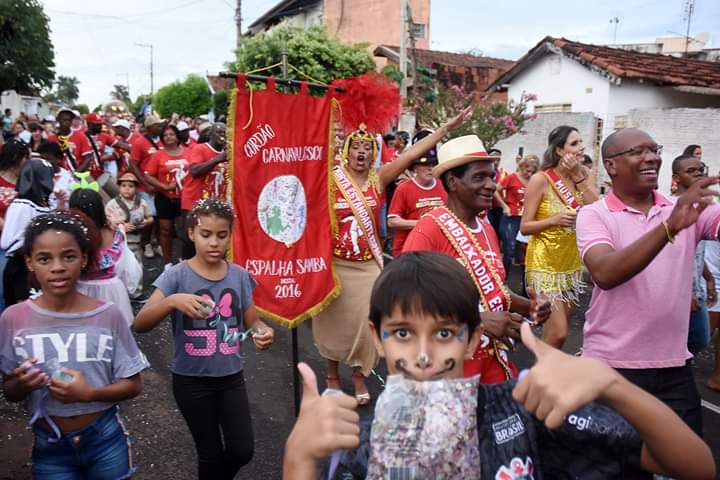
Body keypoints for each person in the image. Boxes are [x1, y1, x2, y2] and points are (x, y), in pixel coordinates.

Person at [281, 251, 716, 480]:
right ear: (377, 337)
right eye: (403, 333)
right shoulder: (361, 444)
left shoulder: (524, 410)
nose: (425, 353)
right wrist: (297, 459)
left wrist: (612, 386)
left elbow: (694, 466)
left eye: (445, 333)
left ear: (472, 339)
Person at [314, 110, 471, 405]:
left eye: (366, 148)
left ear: (372, 153)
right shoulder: (330, 178)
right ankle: (332, 375)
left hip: (366, 266)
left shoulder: (379, 178)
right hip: (335, 264)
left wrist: (445, 128)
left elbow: (412, 152)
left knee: (365, 322)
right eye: (355, 148)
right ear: (346, 152)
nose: (361, 152)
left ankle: (359, 373)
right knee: (332, 323)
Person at [576, 128, 720, 436]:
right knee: (618, 466)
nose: (652, 157)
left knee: (688, 463)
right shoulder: (594, 214)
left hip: (674, 367)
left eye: (654, 150)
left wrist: (676, 218)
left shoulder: (685, 209)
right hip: (611, 367)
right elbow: (605, 273)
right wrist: (669, 227)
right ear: (611, 166)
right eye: (638, 151)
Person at [0, 210, 148, 478]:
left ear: (84, 258)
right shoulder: (13, 318)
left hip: (105, 439)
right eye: (45, 258)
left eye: (68, 256)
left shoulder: (108, 314)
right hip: (50, 445)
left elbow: (133, 383)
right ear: (30, 262)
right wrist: (20, 384)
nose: (57, 267)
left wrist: (88, 394)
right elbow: (10, 391)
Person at [133, 199, 275, 480]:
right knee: (209, 453)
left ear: (230, 235)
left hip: (230, 377)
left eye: (222, 235)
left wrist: (262, 331)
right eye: (206, 234)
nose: (214, 243)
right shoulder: (176, 276)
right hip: (191, 381)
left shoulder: (239, 276)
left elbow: (253, 320)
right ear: (191, 234)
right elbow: (140, 323)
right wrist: (172, 301)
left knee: (241, 450)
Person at [403, 135, 551, 383]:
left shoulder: (487, 229)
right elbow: (404, 305)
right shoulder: (428, 230)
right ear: (452, 182)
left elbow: (491, 291)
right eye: (479, 177)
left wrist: (529, 307)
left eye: (492, 176)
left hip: (493, 365)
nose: (492, 185)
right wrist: (475, 321)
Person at [520, 126, 598, 348]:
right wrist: (553, 220)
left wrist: (577, 176)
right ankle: (539, 377)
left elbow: (599, 210)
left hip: (571, 264)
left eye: (581, 142)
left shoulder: (584, 176)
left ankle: (538, 377)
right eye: (574, 144)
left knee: (552, 337)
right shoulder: (541, 179)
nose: (581, 147)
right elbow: (525, 227)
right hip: (545, 266)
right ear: (559, 151)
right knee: (560, 333)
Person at [69, 188, 135, 326]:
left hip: (79, 291)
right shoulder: (116, 232)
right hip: (112, 291)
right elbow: (127, 267)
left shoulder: (71, 237)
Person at [672, 154, 714, 355]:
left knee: (698, 340)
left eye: (700, 170)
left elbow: (695, 251)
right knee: (696, 340)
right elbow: (670, 257)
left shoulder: (704, 206)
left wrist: (709, 278)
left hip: (697, 290)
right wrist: (685, 293)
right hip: (678, 294)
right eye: (691, 171)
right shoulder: (674, 208)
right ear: (676, 177)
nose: (698, 174)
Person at [1, 159, 54, 307]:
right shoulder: (22, 206)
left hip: (39, 265)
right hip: (22, 268)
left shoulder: (45, 203)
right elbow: (8, 241)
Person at [144, 124, 189, 267]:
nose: (168, 137)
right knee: (165, 230)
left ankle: (185, 260)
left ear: (177, 136)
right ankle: (168, 263)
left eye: (171, 134)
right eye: (165, 135)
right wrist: (164, 187)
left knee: (187, 231)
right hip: (164, 198)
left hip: (185, 197)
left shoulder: (189, 152)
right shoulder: (158, 155)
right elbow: (148, 176)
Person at [182, 122, 227, 259]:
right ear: (210, 134)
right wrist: (218, 159)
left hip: (216, 204)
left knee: (211, 238)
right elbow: (194, 171)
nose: (223, 136)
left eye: (225, 133)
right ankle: (186, 268)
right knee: (192, 239)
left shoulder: (229, 153)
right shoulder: (199, 148)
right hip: (194, 201)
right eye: (219, 133)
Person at [386, 156, 447, 257]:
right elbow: (392, 221)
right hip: (410, 250)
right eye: (425, 166)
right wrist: (424, 223)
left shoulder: (443, 186)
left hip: (437, 249)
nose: (430, 169)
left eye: (433, 165)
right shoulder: (404, 188)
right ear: (415, 169)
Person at [129, 115, 164, 259]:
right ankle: (146, 243)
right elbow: (133, 164)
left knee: (160, 217)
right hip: (146, 187)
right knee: (149, 217)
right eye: (157, 125)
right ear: (149, 128)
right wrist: (144, 182)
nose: (160, 127)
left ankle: (157, 243)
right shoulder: (139, 142)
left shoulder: (163, 141)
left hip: (161, 186)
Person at [497, 154, 539, 273]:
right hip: (511, 218)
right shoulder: (511, 177)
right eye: (527, 170)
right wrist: (504, 206)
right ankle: (503, 280)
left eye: (532, 171)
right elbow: (495, 190)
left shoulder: (534, 181)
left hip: (527, 219)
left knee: (525, 252)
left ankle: (526, 284)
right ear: (522, 166)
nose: (529, 174)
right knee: (509, 249)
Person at [105, 171, 154, 266]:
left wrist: (146, 222)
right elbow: (106, 223)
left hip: (136, 241)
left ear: (136, 188)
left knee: (137, 265)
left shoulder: (141, 203)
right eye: (123, 186)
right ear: (119, 188)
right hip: (118, 242)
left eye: (131, 186)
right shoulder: (112, 204)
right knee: (119, 266)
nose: (127, 189)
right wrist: (120, 226)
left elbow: (150, 218)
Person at [48, 108, 94, 175]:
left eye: (69, 120)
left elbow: (88, 158)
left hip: (77, 174)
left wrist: (77, 173)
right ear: (58, 120)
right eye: (63, 119)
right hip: (58, 175)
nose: (66, 122)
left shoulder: (80, 136)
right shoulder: (51, 138)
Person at [35, 141, 72, 210]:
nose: (44, 162)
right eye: (42, 158)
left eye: (48, 159)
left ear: (58, 159)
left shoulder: (68, 178)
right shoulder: (36, 176)